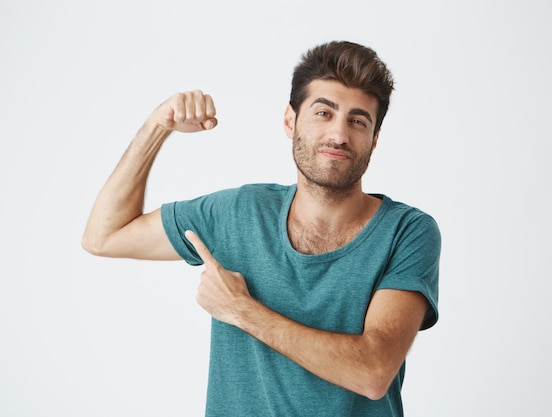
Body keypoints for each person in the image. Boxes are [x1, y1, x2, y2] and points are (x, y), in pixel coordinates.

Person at [82, 40, 441, 417]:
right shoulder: (239, 213)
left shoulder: (408, 232)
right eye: (323, 113)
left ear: (374, 139)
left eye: (357, 120)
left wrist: (240, 309)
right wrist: (158, 126)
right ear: (290, 121)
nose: (338, 135)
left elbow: (373, 371)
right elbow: (103, 236)